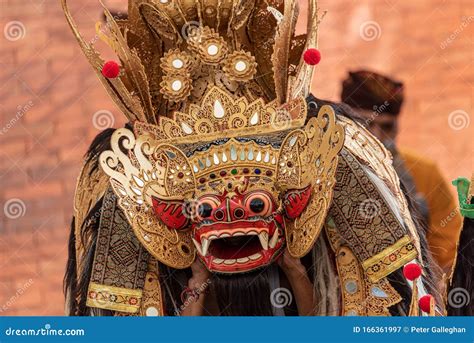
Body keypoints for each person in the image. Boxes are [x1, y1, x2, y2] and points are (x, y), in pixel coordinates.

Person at [63, 0, 445, 316]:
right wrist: (196, 287)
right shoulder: (125, 192)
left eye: (254, 203)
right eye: (212, 209)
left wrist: (295, 270)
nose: (232, 215)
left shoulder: (341, 158)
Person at [341, 70, 462, 270]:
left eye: (386, 127)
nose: (376, 136)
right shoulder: (323, 172)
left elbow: (449, 260)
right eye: (366, 124)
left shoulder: (425, 173)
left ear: (397, 127)